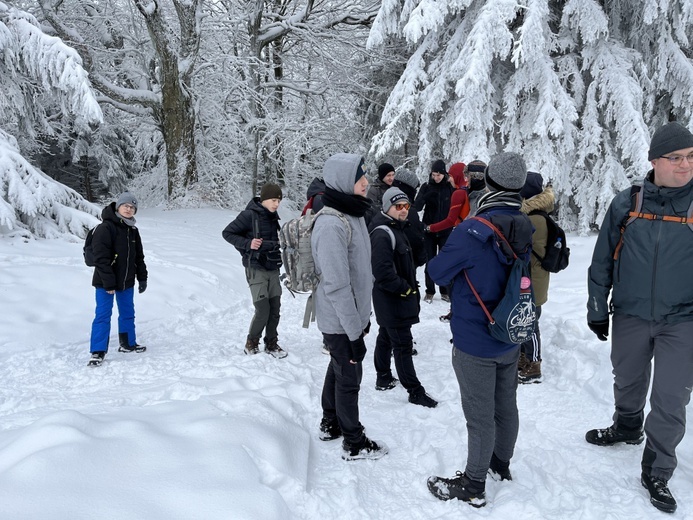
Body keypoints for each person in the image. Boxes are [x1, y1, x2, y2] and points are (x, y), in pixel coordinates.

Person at [585, 121, 693, 514]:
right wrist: (597, 307)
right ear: (654, 161)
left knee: (670, 397)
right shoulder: (627, 202)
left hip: (683, 320)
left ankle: (658, 469)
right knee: (627, 378)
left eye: (691, 157)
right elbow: (602, 259)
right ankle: (627, 426)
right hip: (630, 312)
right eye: (677, 157)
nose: (686, 165)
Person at [426, 152, 533, 508]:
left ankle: (473, 485)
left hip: (475, 337)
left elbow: (438, 272)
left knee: (479, 414)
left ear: (488, 183)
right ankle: (500, 464)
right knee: (506, 405)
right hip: (508, 332)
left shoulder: (472, 231)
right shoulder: (523, 224)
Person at [313, 152, 388, 461]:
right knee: (349, 379)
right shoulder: (331, 224)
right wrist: (354, 332)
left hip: (352, 317)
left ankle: (330, 422)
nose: (366, 182)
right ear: (345, 182)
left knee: (339, 367)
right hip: (341, 321)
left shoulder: (353, 214)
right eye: (360, 179)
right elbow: (337, 285)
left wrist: (362, 317)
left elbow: (358, 272)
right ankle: (353, 442)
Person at [369, 187, 438, 407]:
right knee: (402, 345)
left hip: (393, 298)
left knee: (386, 336)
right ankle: (415, 391)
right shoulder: (382, 233)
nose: (403, 210)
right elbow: (382, 272)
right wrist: (405, 289)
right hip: (393, 298)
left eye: (406, 206)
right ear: (387, 207)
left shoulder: (396, 228)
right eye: (398, 206)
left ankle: (383, 377)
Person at [222, 183, 287, 358]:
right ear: (264, 199)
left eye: (279, 201)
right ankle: (252, 342)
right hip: (256, 268)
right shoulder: (248, 215)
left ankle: (271, 343)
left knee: (275, 308)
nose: (276, 204)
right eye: (273, 200)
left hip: (273, 268)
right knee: (263, 310)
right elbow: (227, 233)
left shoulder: (273, 217)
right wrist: (248, 244)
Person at [88, 192, 148, 367]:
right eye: (126, 206)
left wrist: (142, 278)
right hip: (105, 283)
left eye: (132, 207)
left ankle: (127, 344)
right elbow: (100, 258)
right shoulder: (105, 228)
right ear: (118, 207)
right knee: (103, 315)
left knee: (128, 314)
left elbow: (139, 258)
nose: (129, 209)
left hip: (126, 282)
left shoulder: (133, 230)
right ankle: (97, 351)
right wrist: (109, 283)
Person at [518, 172, 554, 383]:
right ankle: (525, 358)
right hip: (533, 279)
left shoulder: (534, 219)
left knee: (530, 324)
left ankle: (534, 364)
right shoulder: (537, 215)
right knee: (526, 321)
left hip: (533, 280)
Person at [414, 159, 454, 303]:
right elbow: (416, 207)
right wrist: (425, 197)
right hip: (429, 230)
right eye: (434, 175)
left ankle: (445, 291)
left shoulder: (450, 187)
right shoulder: (426, 187)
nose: (436, 178)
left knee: (444, 262)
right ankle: (429, 291)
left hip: (445, 231)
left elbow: (458, 206)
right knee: (430, 262)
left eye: (439, 175)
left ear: (444, 174)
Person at [392, 168, 427, 269]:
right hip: (405, 262)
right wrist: (421, 256)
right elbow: (414, 237)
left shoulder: (386, 202)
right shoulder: (406, 210)